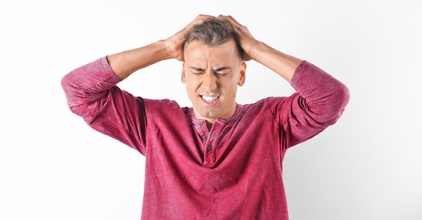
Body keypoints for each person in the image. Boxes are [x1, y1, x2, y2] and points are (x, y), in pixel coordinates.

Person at [61, 14, 350, 219]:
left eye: (222, 71)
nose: (209, 84)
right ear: (183, 73)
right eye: (198, 70)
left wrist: (256, 49)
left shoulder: (271, 121)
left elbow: (331, 98)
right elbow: (78, 90)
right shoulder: (154, 122)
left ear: (241, 73)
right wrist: (164, 48)